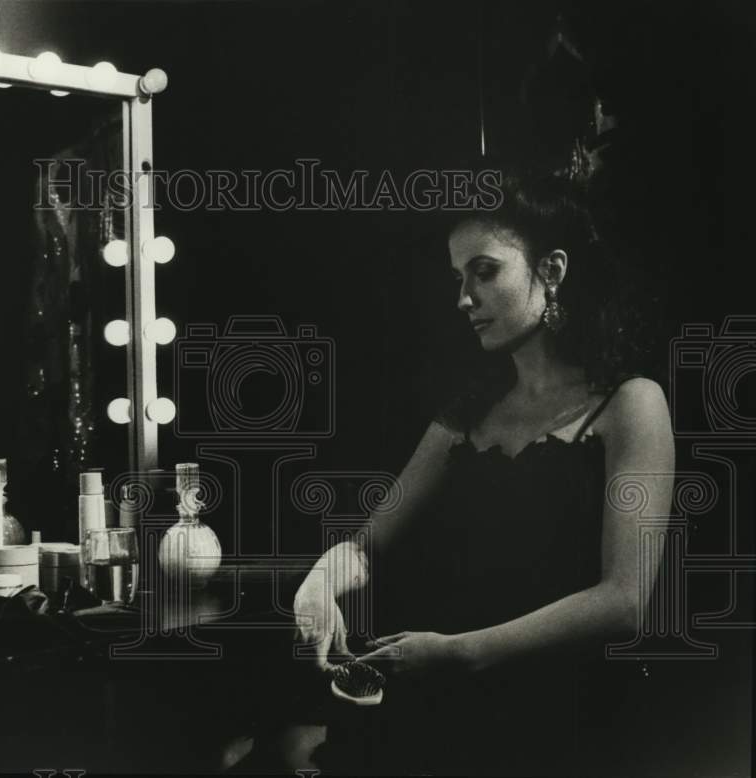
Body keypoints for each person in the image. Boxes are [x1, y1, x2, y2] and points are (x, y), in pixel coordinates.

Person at [271, 167, 674, 776]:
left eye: (484, 271)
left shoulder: (631, 403)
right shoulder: (466, 413)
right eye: (458, 278)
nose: (464, 298)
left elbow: (624, 601)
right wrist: (321, 584)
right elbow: (367, 545)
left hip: (566, 714)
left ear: (553, 271)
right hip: (443, 697)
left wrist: (461, 653)